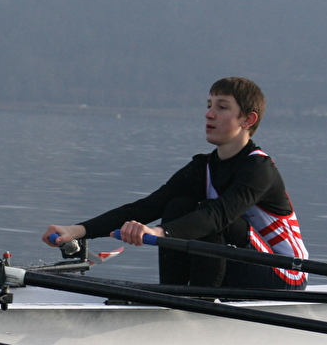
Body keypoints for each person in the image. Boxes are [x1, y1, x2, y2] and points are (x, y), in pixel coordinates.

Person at [41, 77, 307, 290]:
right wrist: (76, 230)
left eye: (222, 107)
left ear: (248, 120)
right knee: (178, 206)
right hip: (242, 263)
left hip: (285, 273)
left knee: (207, 215)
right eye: (209, 105)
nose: (209, 114)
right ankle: (173, 294)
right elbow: (146, 208)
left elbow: (217, 216)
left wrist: (160, 233)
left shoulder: (259, 169)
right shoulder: (202, 167)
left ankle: (199, 302)